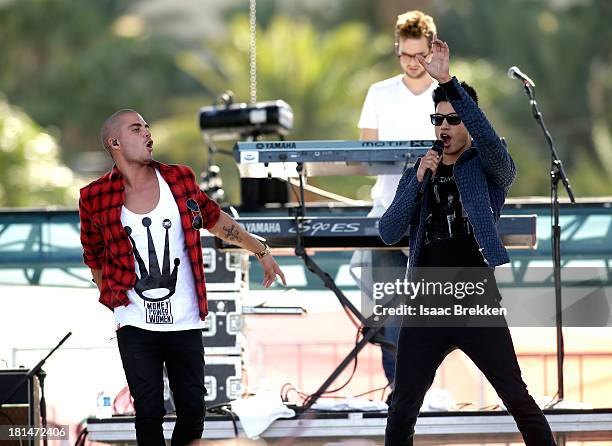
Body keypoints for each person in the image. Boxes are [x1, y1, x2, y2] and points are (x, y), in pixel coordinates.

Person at [378, 37, 557, 445]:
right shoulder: (418, 169)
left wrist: (449, 81)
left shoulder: (488, 166)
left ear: (469, 123)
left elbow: (492, 144)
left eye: (454, 119)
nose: (444, 127)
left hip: (473, 294)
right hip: (426, 298)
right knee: (402, 405)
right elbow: (389, 231)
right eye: (438, 120)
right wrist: (416, 182)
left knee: (516, 396)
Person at [78, 109, 286, 446]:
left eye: (147, 127)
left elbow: (218, 221)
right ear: (115, 142)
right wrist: (113, 299)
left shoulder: (179, 180)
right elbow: (93, 254)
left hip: (185, 319)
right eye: (137, 128)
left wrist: (260, 250)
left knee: (192, 409)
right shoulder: (94, 196)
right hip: (134, 321)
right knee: (148, 411)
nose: (148, 133)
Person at [357, 10, 438, 396]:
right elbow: (365, 154)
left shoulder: (449, 92)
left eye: (419, 55)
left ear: (432, 50)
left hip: (437, 217)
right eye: (405, 54)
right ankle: (400, 390)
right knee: (389, 310)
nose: (411, 62)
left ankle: (422, 388)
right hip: (389, 212)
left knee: (433, 308)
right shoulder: (379, 93)